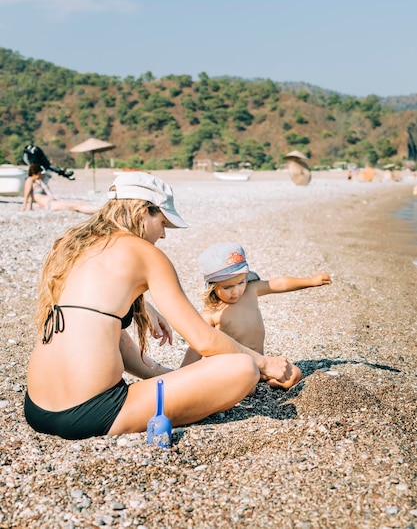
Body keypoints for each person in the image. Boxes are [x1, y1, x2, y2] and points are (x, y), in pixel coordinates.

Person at [24, 172, 299, 440]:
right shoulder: (147, 254)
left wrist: (143, 307)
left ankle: (168, 378)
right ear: (143, 211)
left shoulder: (72, 247)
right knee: (243, 369)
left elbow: (95, 325)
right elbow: (203, 340)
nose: (164, 236)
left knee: (108, 331)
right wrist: (266, 363)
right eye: (164, 223)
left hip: (37, 408)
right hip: (98, 410)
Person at [181, 242, 332, 389]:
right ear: (212, 287)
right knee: (247, 387)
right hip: (232, 370)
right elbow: (195, 346)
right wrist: (182, 376)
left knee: (294, 375)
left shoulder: (251, 290)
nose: (236, 291)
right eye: (228, 287)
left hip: (261, 365)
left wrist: (311, 281)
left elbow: (279, 284)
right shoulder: (212, 312)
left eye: (241, 282)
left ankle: (264, 383)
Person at [21, 164, 97, 214]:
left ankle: (98, 210)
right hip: (49, 204)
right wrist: (24, 207)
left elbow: (31, 195)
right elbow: (27, 194)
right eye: (40, 173)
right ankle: (98, 211)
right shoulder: (29, 180)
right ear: (35, 173)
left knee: (78, 203)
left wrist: (30, 207)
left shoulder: (37, 182)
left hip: (52, 201)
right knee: (75, 206)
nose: (41, 175)